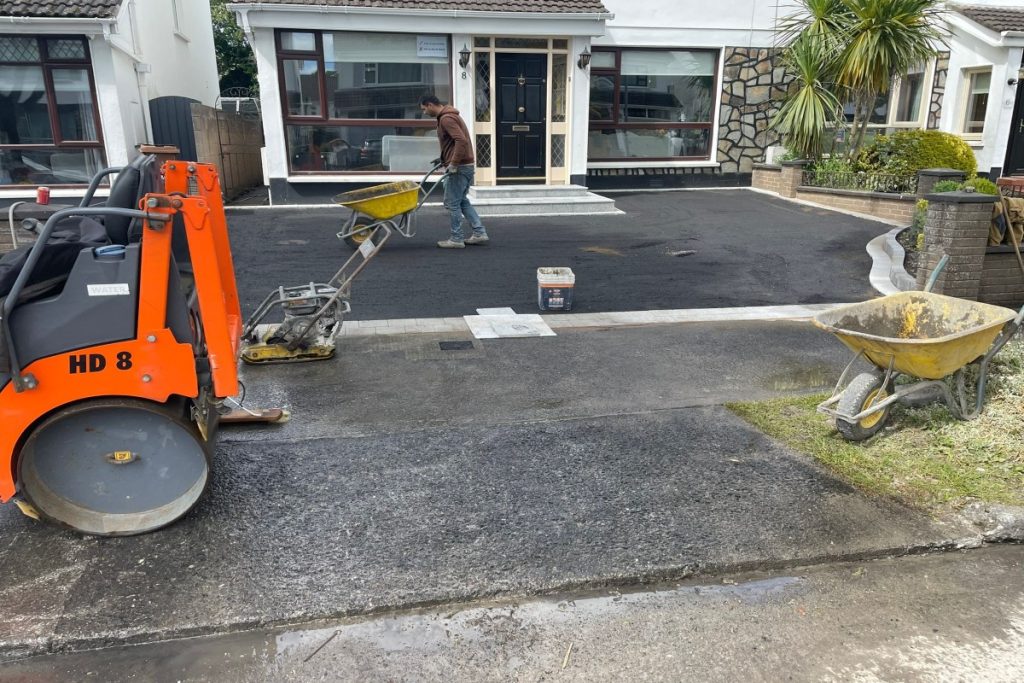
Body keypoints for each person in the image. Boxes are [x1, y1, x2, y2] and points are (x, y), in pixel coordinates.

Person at [419, 95, 489, 249]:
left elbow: (460, 140)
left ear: (430, 105)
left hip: (460, 167)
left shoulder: (446, 119)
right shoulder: (449, 116)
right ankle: (479, 233)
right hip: (466, 165)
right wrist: (443, 159)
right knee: (462, 201)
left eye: (424, 109)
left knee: (452, 203)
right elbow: (453, 143)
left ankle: (456, 238)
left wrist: (454, 163)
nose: (424, 112)